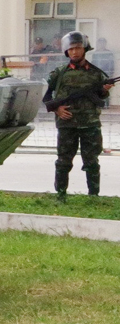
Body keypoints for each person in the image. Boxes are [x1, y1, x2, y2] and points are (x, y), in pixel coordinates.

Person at [44, 31, 113, 201]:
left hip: (90, 123)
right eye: (71, 49)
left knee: (92, 162)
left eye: (78, 48)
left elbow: (102, 98)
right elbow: (45, 95)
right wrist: (57, 109)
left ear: (85, 49)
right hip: (66, 124)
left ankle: (93, 196)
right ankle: (60, 195)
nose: (74, 52)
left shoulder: (96, 73)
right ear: (66, 51)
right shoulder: (59, 73)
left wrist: (104, 90)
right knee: (63, 162)